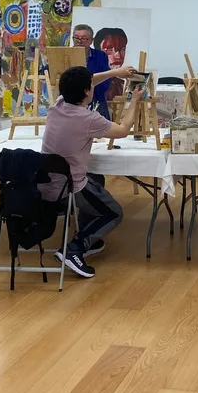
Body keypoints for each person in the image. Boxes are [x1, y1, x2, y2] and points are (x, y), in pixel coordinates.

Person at [40, 64, 140, 278]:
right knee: (114, 213)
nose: (92, 86)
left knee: (96, 178)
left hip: (45, 183)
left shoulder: (58, 104)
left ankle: (88, 236)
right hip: (68, 188)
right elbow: (123, 130)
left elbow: (88, 81)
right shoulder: (87, 119)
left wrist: (115, 73)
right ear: (87, 91)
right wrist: (134, 101)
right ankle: (74, 249)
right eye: (90, 85)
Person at [73, 24, 111, 119]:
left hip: (95, 98)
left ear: (91, 40)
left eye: (84, 38)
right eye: (76, 38)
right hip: (71, 101)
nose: (79, 41)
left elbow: (105, 80)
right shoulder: (67, 54)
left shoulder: (100, 56)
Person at [95, 27, 129, 101]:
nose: (118, 56)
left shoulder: (122, 84)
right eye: (110, 50)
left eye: (122, 50)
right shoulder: (92, 82)